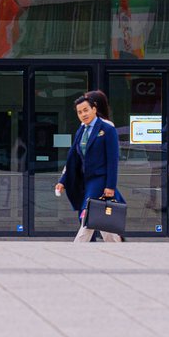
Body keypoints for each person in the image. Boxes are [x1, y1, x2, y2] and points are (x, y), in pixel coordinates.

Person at [59, 90, 124, 243]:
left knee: (88, 215)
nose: (83, 114)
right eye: (79, 112)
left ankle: (77, 249)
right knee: (100, 220)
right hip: (85, 181)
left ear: (94, 109)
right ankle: (118, 246)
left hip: (100, 180)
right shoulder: (81, 130)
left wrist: (110, 186)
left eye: (86, 110)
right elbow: (73, 158)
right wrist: (63, 180)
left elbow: (113, 160)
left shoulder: (107, 129)